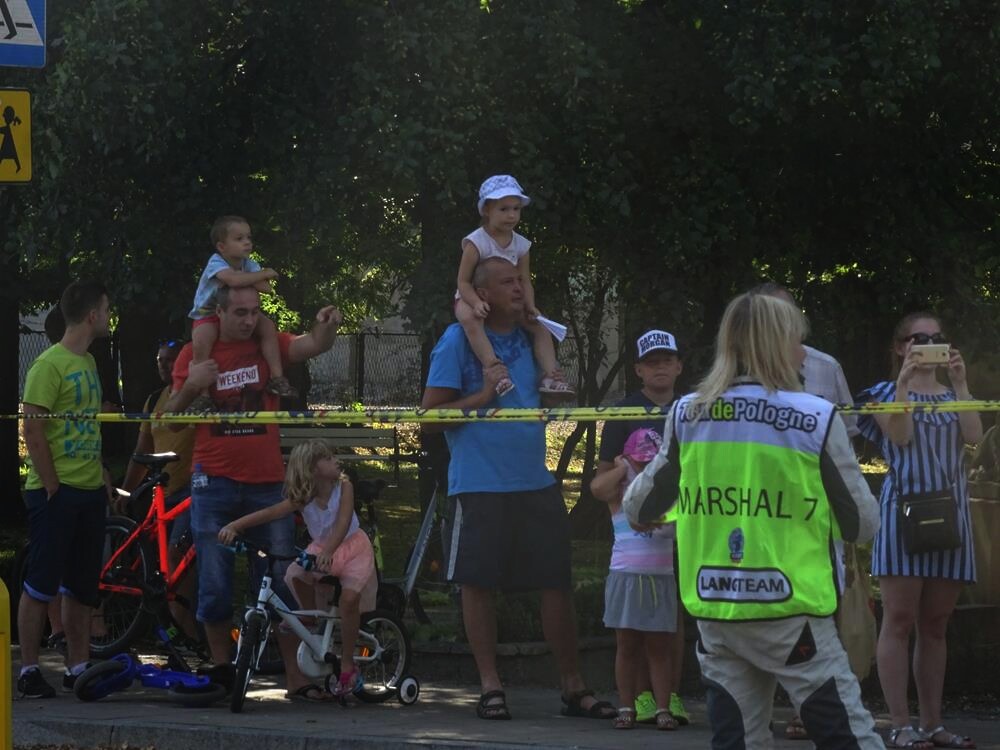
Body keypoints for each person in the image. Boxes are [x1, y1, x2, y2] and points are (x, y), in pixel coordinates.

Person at [623, 291, 883, 749]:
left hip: (715, 609)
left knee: (738, 741)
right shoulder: (815, 417)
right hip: (792, 611)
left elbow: (639, 508)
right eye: (797, 341)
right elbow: (862, 524)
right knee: (850, 739)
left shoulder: (688, 413)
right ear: (776, 344)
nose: (803, 353)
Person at [421, 256, 614, 721]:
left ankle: (573, 687)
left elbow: (548, 398)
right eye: (507, 281)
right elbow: (428, 418)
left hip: (535, 481)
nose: (519, 288)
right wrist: (483, 398)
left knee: (556, 582)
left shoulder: (534, 336)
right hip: (478, 484)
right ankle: (491, 686)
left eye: (521, 280)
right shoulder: (458, 339)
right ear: (483, 294)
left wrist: (556, 389)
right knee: (478, 584)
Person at [164, 284, 343, 700]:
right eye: (240, 313)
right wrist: (191, 387)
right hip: (213, 482)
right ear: (220, 314)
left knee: (282, 580)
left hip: (267, 484)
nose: (249, 321)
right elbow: (170, 421)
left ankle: (297, 679)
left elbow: (312, 345)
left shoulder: (268, 345)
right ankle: (223, 670)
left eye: (254, 312)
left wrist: (327, 326)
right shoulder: (196, 353)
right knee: (214, 580)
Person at [857, 312, 981, 749]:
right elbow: (901, 437)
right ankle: (900, 724)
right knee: (899, 619)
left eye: (936, 338)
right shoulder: (882, 393)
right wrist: (904, 385)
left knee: (936, 623)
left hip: (952, 516)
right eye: (919, 338)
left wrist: (961, 385)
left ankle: (933, 723)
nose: (929, 344)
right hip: (903, 515)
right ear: (900, 347)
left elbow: (973, 436)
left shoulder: (953, 395)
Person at [754, 281, 862, 741]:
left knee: (821, 603)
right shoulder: (730, 381)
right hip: (757, 519)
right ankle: (762, 707)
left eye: (790, 315)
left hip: (814, 520)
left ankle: (808, 709)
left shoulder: (825, 367)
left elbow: (848, 438)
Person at [218, 440, 377, 697]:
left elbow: (343, 521)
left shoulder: (344, 487)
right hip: (322, 549)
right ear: (313, 469)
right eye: (328, 458)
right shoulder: (304, 497)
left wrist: (328, 551)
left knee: (349, 600)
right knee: (295, 573)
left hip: (352, 547)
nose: (336, 461)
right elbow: (271, 512)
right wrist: (235, 525)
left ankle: (348, 662)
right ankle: (308, 616)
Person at [18, 280, 115, 698]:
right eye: (106, 310)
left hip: (89, 488)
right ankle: (28, 670)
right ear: (92, 315)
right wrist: (52, 485)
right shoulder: (48, 365)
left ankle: (79, 667)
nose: (109, 317)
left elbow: (87, 425)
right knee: (41, 582)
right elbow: (32, 429)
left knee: (81, 586)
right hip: (56, 491)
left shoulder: (89, 361)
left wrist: (101, 474)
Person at [592, 328, 689, 725]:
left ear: (679, 366)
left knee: (673, 617)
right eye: (651, 362)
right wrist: (627, 511)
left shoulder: (691, 409)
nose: (660, 368)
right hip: (634, 542)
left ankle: (669, 698)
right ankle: (637, 699)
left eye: (667, 360)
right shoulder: (622, 413)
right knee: (630, 634)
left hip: (686, 521)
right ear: (638, 370)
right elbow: (602, 480)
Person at [590, 427, 678, 731]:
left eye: (650, 461)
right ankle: (626, 706)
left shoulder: (668, 493)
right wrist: (621, 468)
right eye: (640, 461)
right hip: (625, 576)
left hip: (660, 578)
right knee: (626, 646)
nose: (644, 467)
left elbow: (681, 521)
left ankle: (663, 707)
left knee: (659, 648)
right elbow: (597, 488)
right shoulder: (619, 493)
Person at [455, 174, 572, 397]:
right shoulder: (476, 242)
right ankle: (494, 370)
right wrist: (476, 302)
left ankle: (550, 376)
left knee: (540, 325)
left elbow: (525, 279)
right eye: (504, 209)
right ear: (486, 210)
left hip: (506, 303)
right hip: (472, 297)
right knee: (469, 319)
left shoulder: (521, 245)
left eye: (516, 209)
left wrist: (530, 305)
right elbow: (463, 282)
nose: (511, 215)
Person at [120, 337, 198, 640]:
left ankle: (184, 631)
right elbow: (142, 451)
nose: (164, 366)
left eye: (171, 360)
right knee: (162, 564)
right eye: (160, 361)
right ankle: (174, 630)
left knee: (180, 557)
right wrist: (127, 491)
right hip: (161, 493)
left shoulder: (197, 396)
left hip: (190, 489)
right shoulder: (154, 400)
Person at [187, 215, 295, 410]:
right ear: (222, 247)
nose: (247, 242)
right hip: (207, 313)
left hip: (236, 311)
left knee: (268, 326)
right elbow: (234, 281)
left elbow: (265, 288)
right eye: (239, 239)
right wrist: (263, 273)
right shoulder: (216, 262)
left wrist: (250, 276)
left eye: (248, 237)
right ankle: (202, 395)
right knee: (202, 340)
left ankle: (277, 378)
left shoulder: (248, 264)